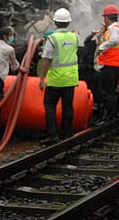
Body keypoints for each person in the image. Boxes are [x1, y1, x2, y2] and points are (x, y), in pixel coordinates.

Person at [38, 8, 79, 144]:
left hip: (55, 79)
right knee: (68, 106)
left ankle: (52, 135)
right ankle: (66, 133)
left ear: (55, 22)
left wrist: (42, 78)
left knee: (49, 106)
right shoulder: (75, 37)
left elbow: (46, 59)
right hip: (71, 78)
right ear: (68, 22)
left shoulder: (52, 38)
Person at [96, 4, 119, 121]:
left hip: (110, 64)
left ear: (107, 17)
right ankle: (113, 113)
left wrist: (101, 47)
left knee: (108, 91)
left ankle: (110, 115)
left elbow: (114, 40)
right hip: (110, 63)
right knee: (110, 90)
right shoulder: (112, 29)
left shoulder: (114, 29)